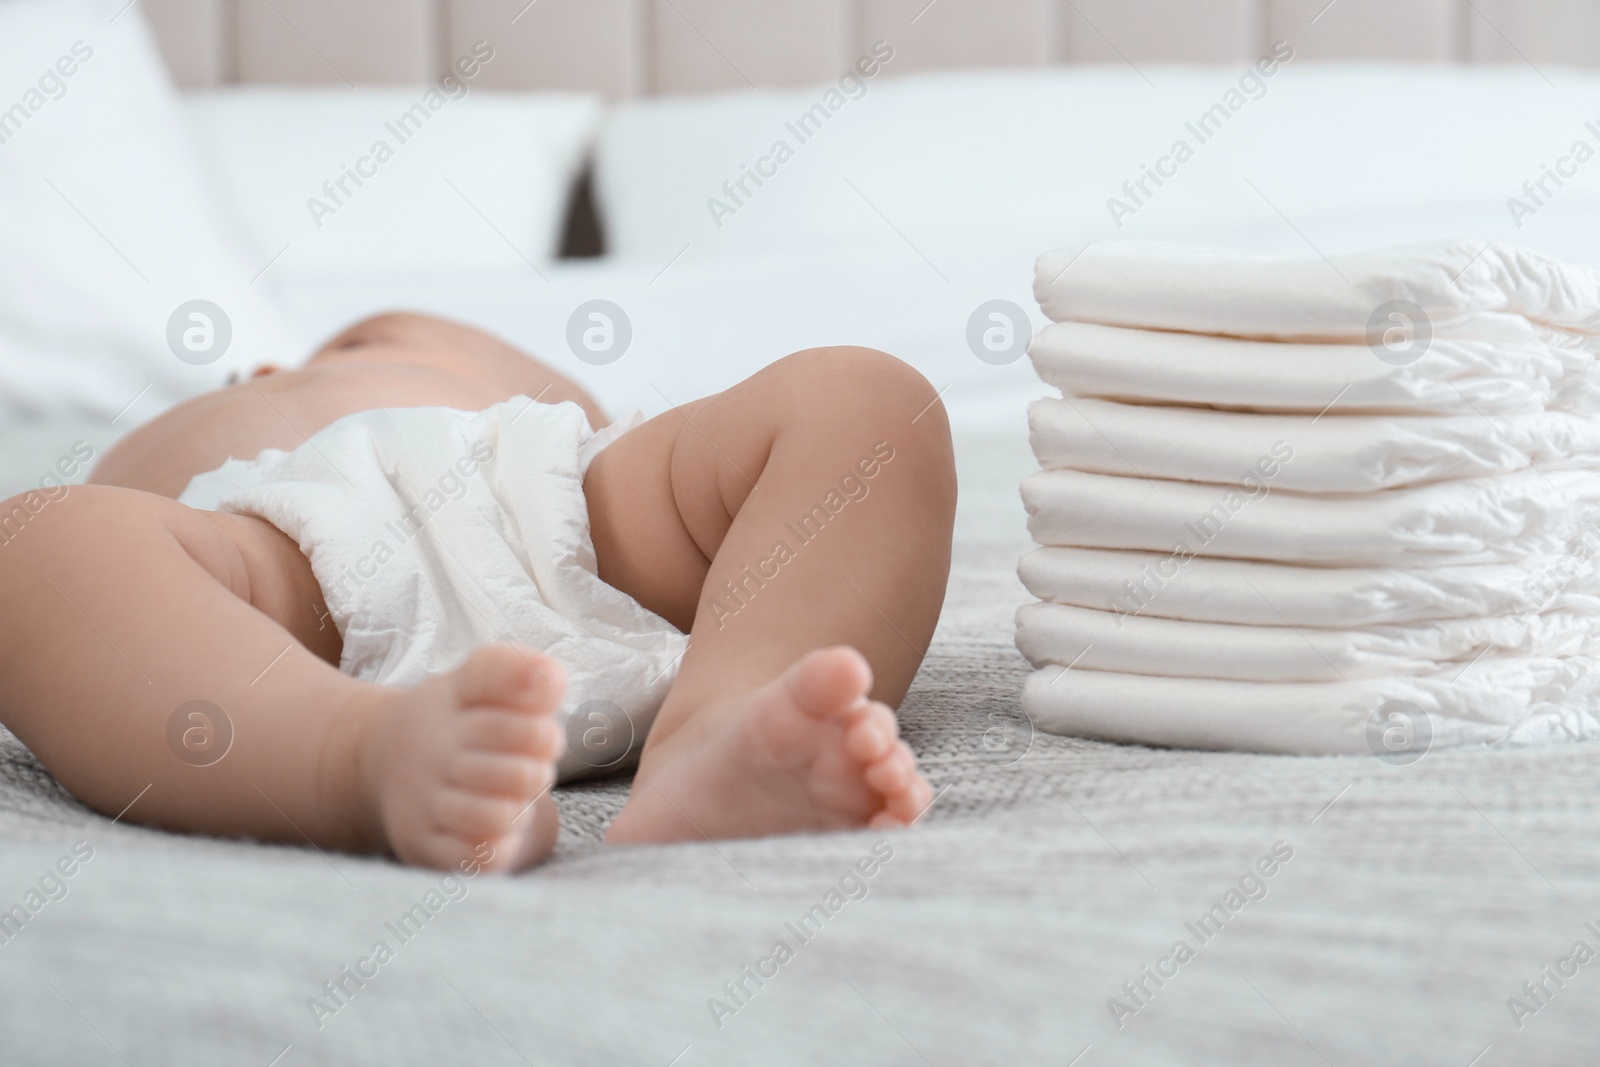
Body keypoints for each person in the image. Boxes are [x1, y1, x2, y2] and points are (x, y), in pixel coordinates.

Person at [0, 313, 954, 871]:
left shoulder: (437, 354)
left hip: (557, 515)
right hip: (279, 568)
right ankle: (359, 755)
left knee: (866, 399)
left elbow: (606, 428)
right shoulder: (242, 433)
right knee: (30, 540)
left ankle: (719, 723)